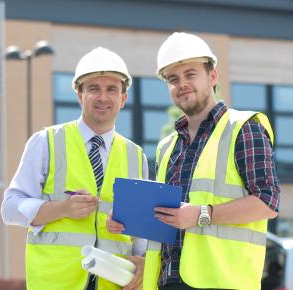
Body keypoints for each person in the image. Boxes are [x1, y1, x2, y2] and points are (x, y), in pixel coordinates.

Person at [108, 32, 280, 290]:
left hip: (223, 282)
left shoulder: (244, 127)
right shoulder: (168, 146)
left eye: (190, 74)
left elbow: (268, 201)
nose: (182, 84)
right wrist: (130, 222)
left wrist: (201, 214)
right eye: (173, 79)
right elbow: (169, 219)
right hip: (168, 282)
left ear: (212, 76)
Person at [1, 47, 147, 290]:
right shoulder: (46, 141)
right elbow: (10, 208)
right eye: (93, 89)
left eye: (112, 89)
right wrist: (62, 209)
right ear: (80, 94)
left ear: (123, 98)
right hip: (57, 282)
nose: (103, 97)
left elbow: (141, 230)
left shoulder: (136, 155)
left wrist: (144, 263)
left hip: (113, 283)